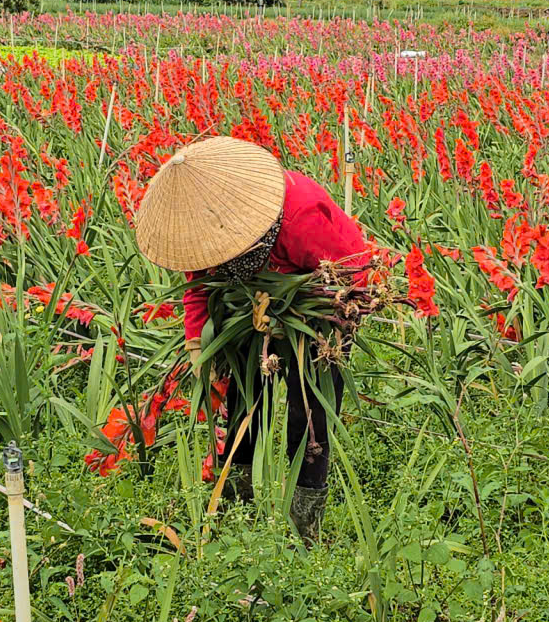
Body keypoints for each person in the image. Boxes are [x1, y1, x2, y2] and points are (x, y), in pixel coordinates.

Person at [131, 136, 372, 541]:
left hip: (318, 315)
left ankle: (304, 528)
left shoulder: (301, 218)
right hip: (249, 311)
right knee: (242, 404)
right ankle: (236, 508)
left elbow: (352, 282)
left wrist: (287, 316)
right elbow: (200, 286)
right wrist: (199, 349)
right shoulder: (206, 228)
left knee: (307, 416)